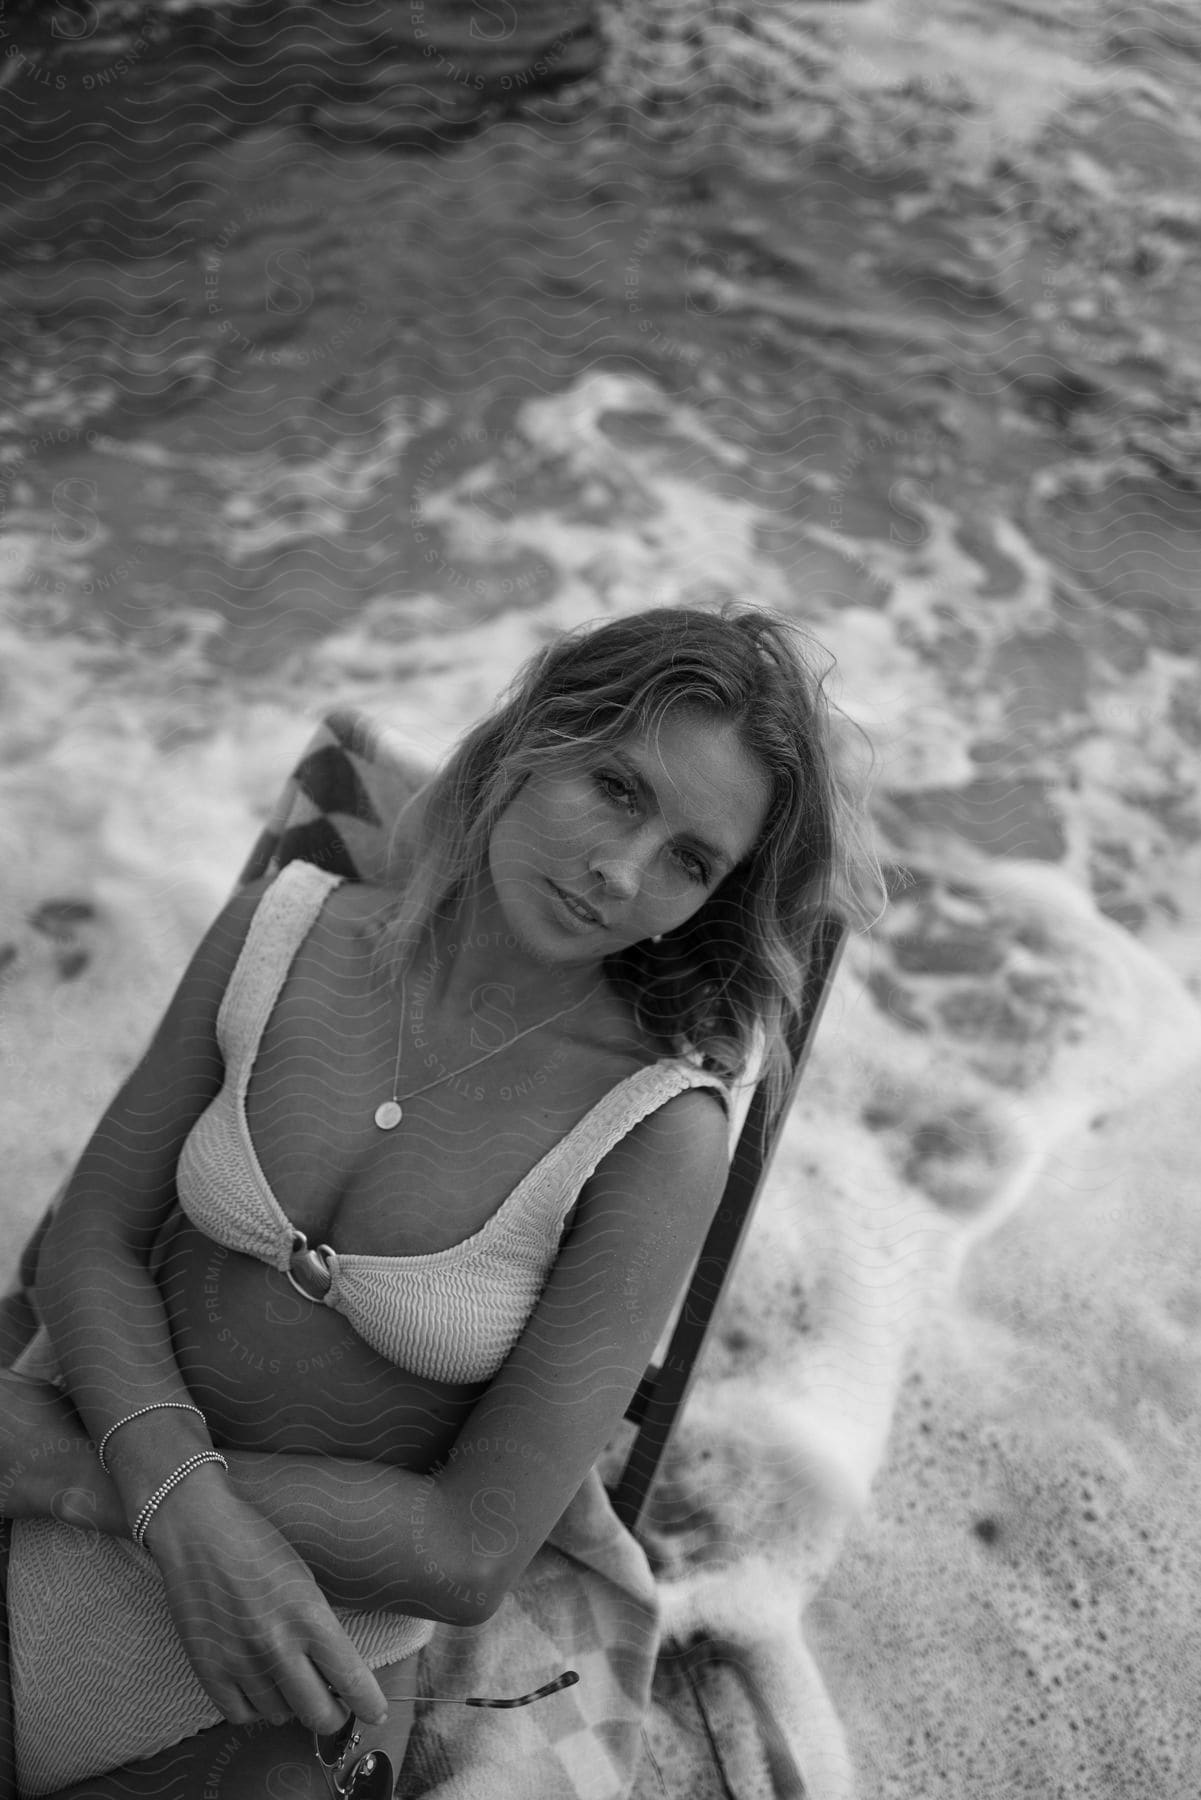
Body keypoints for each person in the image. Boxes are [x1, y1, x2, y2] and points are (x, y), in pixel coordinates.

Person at [0, 603, 873, 1797]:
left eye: (689, 860)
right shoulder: (282, 929)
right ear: (531, 738)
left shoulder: (656, 1132)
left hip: (296, 1659)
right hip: (48, 1520)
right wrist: (151, 1492)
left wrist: (125, 1487)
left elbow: (470, 1554)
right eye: (618, 788)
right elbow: (89, 1239)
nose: (622, 873)